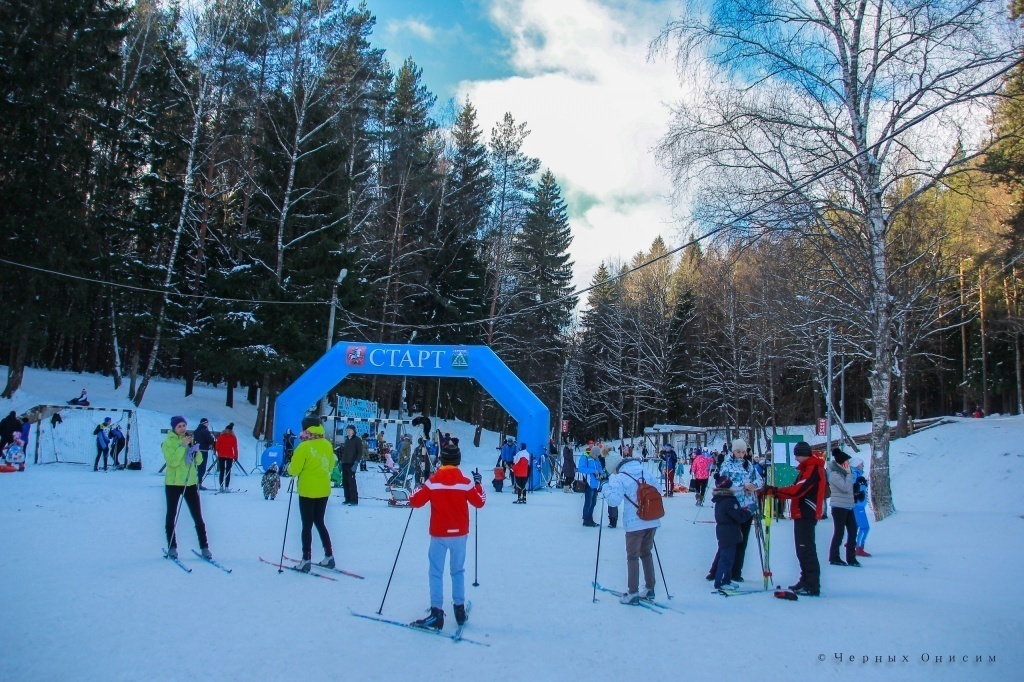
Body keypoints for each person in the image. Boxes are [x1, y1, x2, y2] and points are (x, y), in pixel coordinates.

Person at [408, 443, 486, 630]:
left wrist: (416, 487)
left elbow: (415, 501)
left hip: (439, 534)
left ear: (442, 460)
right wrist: (478, 484)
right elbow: (479, 502)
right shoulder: (466, 482)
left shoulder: (434, 481)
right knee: (457, 571)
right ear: (458, 461)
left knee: (436, 571)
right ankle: (459, 609)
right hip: (459, 534)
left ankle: (436, 613)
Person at [764, 441, 827, 596]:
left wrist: (775, 491)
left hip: (807, 512)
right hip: (801, 512)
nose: (796, 459)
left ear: (801, 454)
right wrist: (775, 492)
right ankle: (805, 580)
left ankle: (812, 584)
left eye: (797, 456)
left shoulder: (813, 468)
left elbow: (798, 490)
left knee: (806, 549)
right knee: (802, 549)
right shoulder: (808, 467)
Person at [601, 455, 662, 604]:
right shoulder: (644, 471)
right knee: (646, 553)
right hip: (652, 519)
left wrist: (605, 487)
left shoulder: (619, 477)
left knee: (632, 557)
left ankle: (633, 593)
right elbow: (659, 490)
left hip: (634, 523)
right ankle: (649, 588)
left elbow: (614, 501)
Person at [706, 439, 763, 583]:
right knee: (729, 541)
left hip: (747, 505)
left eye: (743, 452)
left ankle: (736, 571)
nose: (741, 454)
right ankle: (716, 570)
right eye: (738, 451)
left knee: (742, 541)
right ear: (733, 451)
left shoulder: (749, 465)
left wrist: (753, 486)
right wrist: (743, 486)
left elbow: (759, 480)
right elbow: (725, 484)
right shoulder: (726, 465)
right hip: (732, 506)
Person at [288, 417, 337, 572]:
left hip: (308, 490)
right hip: (323, 489)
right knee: (320, 522)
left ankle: (306, 559)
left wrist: (290, 469)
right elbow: (330, 465)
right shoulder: (327, 444)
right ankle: (329, 556)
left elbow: (294, 470)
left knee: (307, 524)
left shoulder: (304, 446)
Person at [162, 416, 211, 560]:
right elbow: (172, 462)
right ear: (174, 428)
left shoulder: (191, 440)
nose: (182, 428)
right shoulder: (168, 442)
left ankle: (204, 546)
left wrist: (195, 452)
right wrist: (182, 447)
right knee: (171, 514)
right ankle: (172, 546)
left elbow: (199, 460)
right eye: (179, 426)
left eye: (184, 425)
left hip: (189, 483)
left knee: (197, 515)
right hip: (173, 483)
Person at [711, 475, 753, 592]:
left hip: (727, 532)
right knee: (726, 558)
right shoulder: (728, 501)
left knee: (729, 557)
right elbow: (738, 516)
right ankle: (720, 582)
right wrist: (749, 511)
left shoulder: (723, 500)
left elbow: (736, 513)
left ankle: (727, 580)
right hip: (728, 533)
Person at [827, 449, 860, 567]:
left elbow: (850, 488)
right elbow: (845, 487)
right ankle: (834, 556)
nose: (849, 464)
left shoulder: (844, 474)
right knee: (839, 532)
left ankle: (851, 558)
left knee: (853, 530)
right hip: (839, 507)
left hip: (848, 506)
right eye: (847, 462)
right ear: (842, 463)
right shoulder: (835, 475)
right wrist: (850, 474)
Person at [578, 444, 603, 527]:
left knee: (593, 502)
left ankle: (590, 519)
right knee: (588, 502)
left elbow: (599, 468)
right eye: (595, 455)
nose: (596, 457)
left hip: (596, 483)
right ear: (592, 453)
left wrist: (601, 474)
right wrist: (592, 471)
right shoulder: (585, 457)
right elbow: (581, 468)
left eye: (597, 455)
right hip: (589, 483)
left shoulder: (596, 459)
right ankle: (586, 519)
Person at [851, 458, 872, 557]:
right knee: (865, 527)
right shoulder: (855, 474)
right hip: (857, 505)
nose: (863, 466)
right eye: (861, 464)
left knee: (856, 526)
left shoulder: (856, 474)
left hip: (858, 505)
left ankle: (853, 542)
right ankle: (859, 547)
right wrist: (864, 485)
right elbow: (855, 487)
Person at [340, 424, 363, 505]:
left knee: (351, 482)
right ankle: (347, 499)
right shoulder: (347, 440)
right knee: (345, 482)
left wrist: (356, 463)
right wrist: (341, 461)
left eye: (350, 430)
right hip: (344, 463)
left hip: (351, 464)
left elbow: (360, 452)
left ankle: (354, 500)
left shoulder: (357, 440)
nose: (348, 431)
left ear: (354, 431)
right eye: (347, 430)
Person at [215, 423, 239, 493]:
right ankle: (226, 487)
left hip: (221, 455)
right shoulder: (233, 437)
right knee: (228, 471)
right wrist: (236, 456)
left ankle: (221, 486)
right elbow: (235, 448)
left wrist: (218, 451)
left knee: (222, 471)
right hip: (230, 455)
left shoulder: (221, 436)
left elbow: (217, 446)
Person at [193, 418, 216, 490]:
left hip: (196, 450)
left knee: (195, 467)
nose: (208, 424)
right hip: (203, 450)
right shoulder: (205, 431)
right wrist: (212, 438)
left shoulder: (196, 431)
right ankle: (199, 483)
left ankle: (193, 482)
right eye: (207, 423)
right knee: (202, 468)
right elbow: (210, 440)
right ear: (205, 423)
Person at [603, 445, 622, 528]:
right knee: (614, 499)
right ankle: (614, 519)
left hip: (611, 478)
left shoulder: (608, 456)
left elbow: (608, 468)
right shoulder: (616, 455)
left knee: (611, 499)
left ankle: (612, 519)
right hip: (618, 477)